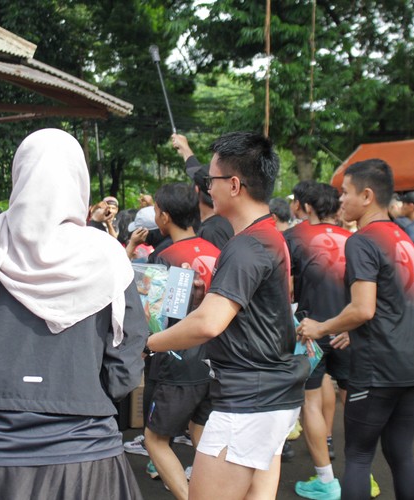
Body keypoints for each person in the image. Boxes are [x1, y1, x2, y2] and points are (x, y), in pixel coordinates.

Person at [0, 129, 148, 500]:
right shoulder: (107, 257)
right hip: (86, 457)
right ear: (78, 180)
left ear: (20, 176)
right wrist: (84, 392)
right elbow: (127, 357)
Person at [147, 131, 309, 499]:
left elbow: (208, 323)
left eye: (211, 180)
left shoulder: (246, 245)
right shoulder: (269, 235)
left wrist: (150, 343)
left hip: (246, 402)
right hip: (272, 395)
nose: (206, 188)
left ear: (234, 185)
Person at [298, 159, 414, 499]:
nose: (341, 200)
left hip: (377, 367)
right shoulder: (403, 237)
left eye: (345, 192)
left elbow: (363, 308)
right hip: (410, 364)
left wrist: (321, 327)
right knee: (401, 453)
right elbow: (397, 300)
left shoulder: (363, 240)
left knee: (359, 456)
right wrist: (353, 328)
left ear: (367, 196)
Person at [144, 182, 220, 499]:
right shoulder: (217, 251)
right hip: (216, 359)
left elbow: (158, 317)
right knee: (201, 431)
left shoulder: (165, 257)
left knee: (154, 440)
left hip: (178, 362)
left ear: (164, 216)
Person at [287, 183, 352, 500]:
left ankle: (326, 481)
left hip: (309, 330)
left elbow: (286, 289)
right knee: (355, 402)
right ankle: (362, 475)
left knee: (310, 403)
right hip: (350, 330)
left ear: (306, 206)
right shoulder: (354, 239)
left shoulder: (293, 237)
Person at [172, 133, 233, 249]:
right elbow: (199, 174)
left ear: (196, 189)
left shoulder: (212, 231)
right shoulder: (228, 221)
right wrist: (184, 149)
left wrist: (185, 148)